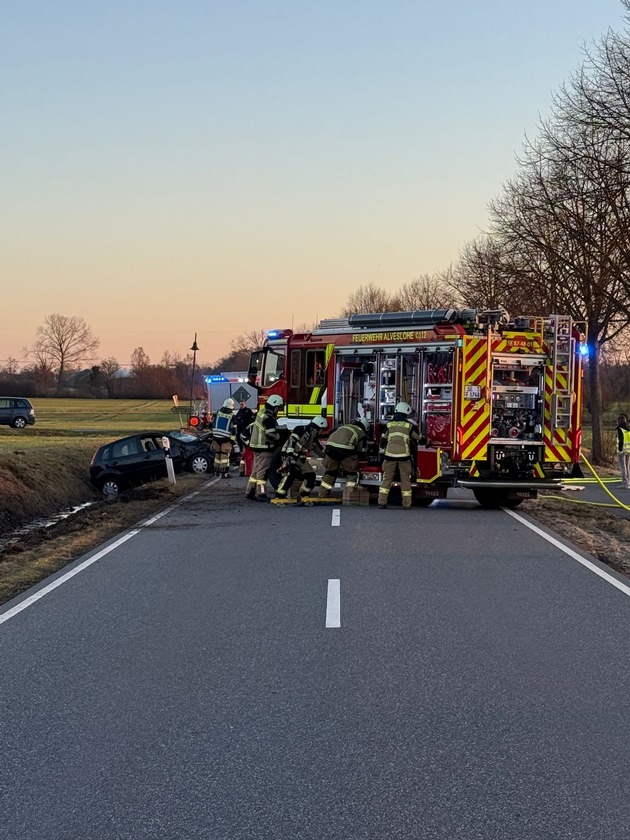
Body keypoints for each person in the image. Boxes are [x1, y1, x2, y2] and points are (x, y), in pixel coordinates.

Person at [377, 402, 424, 509]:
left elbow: (382, 441)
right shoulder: (409, 425)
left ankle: (382, 502)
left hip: (389, 456)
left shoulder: (388, 425)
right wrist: (427, 441)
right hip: (404, 457)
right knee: (405, 480)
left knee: (387, 479)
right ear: (406, 413)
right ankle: (406, 504)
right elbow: (418, 438)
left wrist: (381, 454)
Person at [275, 416, 327, 503]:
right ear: (318, 427)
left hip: (300, 458)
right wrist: (289, 457)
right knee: (292, 473)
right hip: (289, 455)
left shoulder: (313, 438)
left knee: (311, 476)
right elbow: (292, 441)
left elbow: (320, 452)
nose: (322, 432)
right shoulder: (301, 429)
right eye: (322, 429)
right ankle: (280, 494)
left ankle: (304, 495)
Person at [245, 394, 284, 501]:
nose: (278, 411)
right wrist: (279, 437)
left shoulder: (261, 413)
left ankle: (250, 491)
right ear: (274, 406)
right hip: (264, 448)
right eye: (278, 408)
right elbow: (270, 433)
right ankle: (261, 493)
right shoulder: (269, 417)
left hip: (256, 446)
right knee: (263, 473)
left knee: (255, 471)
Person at [318, 417, 368, 497]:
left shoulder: (344, 426)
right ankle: (349, 494)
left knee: (330, 472)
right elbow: (360, 450)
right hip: (345, 450)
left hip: (330, 448)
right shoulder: (361, 432)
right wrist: (361, 457)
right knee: (351, 472)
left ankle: (322, 495)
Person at [211, 398, 237, 477]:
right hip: (225, 438)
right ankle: (224, 473)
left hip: (216, 437)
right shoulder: (232, 416)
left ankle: (217, 471)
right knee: (225, 456)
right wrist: (232, 441)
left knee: (217, 455)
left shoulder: (218, 412)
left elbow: (212, 423)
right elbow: (234, 430)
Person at [616, 413, 630, 489]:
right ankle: (628, 481)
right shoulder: (628, 427)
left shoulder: (620, 429)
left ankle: (625, 483)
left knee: (623, 467)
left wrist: (620, 450)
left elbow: (621, 440)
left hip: (622, 450)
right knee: (627, 466)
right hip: (628, 450)